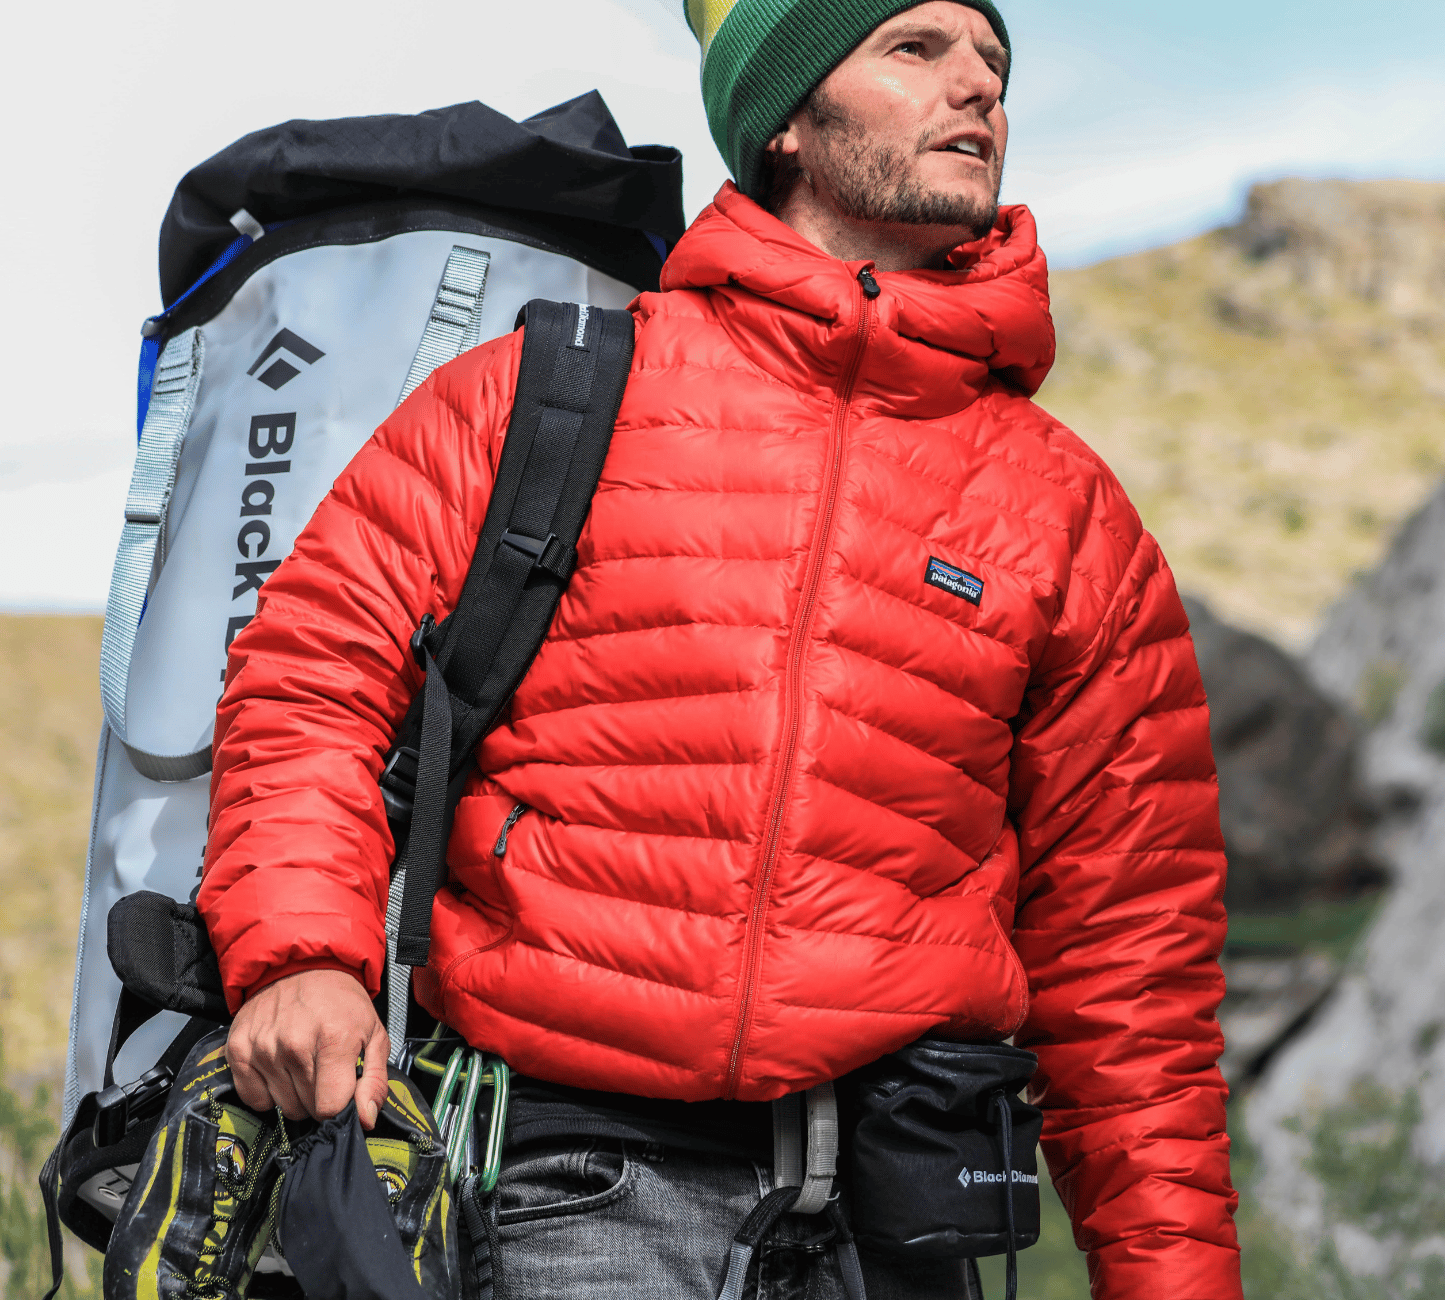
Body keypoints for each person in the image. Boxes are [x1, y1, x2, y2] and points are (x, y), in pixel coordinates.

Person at [198, 2, 1240, 1297]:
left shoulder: (1065, 508)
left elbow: (1131, 959)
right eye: (915, 50)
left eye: (992, 62)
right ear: (785, 120)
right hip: (574, 1194)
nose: (977, 86)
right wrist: (303, 955)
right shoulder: (543, 394)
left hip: (901, 1226)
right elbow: (314, 676)